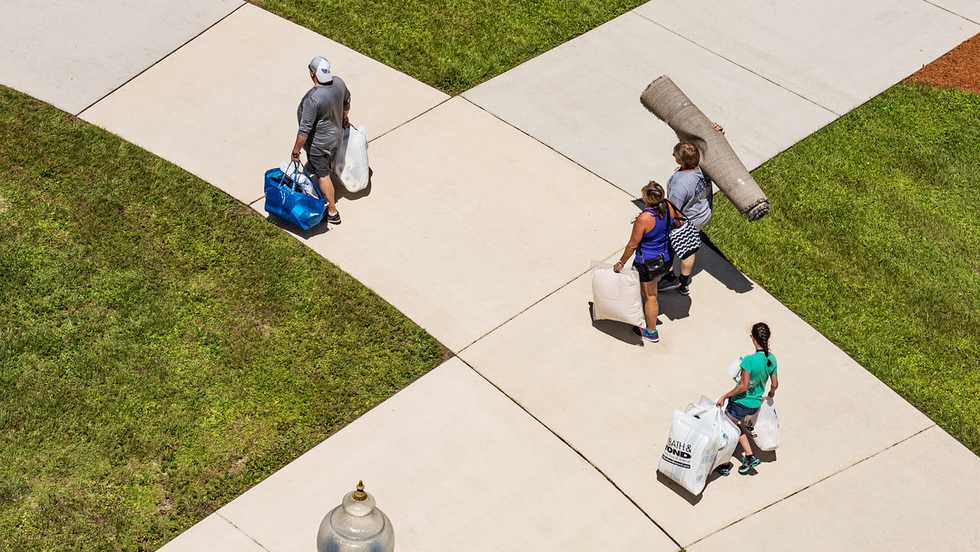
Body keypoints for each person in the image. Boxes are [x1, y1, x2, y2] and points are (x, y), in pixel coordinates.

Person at [612, 182, 682, 343]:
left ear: (647, 198)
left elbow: (632, 245)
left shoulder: (644, 219)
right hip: (666, 259)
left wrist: (621, 263)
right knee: (649, 289)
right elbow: (677, 222)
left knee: (650, 296)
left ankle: (651, 332)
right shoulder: (668, 206)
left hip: (648, 264)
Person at [659, 123, 723, 295]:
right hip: (703, 213)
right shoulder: (704, 165)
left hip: (689, 219)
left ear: (681, 161)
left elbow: (673, 210)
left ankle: (677, 281)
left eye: (676, 155)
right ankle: (682, 281)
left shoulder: (680, 184)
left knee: (680, 247)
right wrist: (716, 134)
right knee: (689, 246)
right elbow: (717, 151)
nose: (673, 155)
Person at [290, 56, 350, 225]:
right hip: (336, 136)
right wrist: (344, 116)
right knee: (320, 166)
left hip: (319, 145)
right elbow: (347, 101)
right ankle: (315, 177)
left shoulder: (313, 98)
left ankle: (332, 212)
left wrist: (295, 152)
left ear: (312, 74)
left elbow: (304, 130)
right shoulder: (339, 83)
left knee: (323, 175)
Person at [715, 322, 779, 475]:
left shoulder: (748, 361)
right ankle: (749, 456)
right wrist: (770, 394)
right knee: (737, 425)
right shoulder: (772, 359)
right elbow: (775, 384)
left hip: (740, 402)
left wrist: (725, 395)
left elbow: (743, 386)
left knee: (728, 429)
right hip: (755, 404)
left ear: (753, 338)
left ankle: (728, 462)